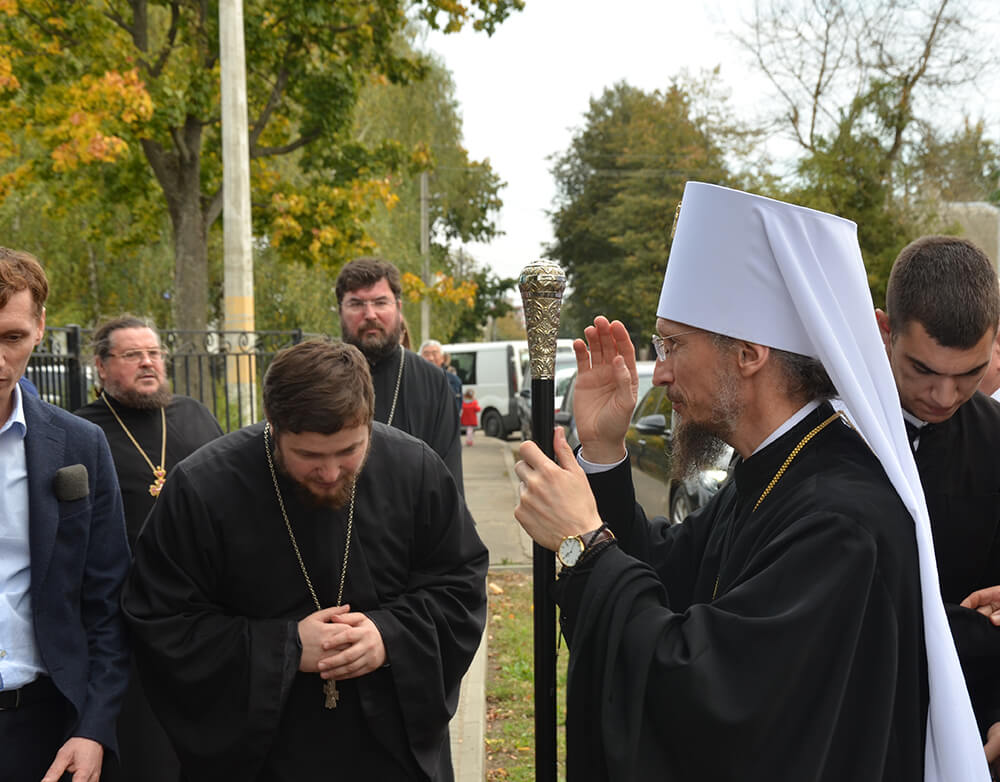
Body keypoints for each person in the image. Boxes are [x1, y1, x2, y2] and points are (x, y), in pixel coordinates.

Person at [513, 183, 988, 781]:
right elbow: (668, 571)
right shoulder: (778, 465)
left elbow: (714, 697)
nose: (660, 372)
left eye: (673, 344)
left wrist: (584, 545)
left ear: (747, 353)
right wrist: (604, 454)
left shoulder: (841, 519)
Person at [121, 339, 488, 781]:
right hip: (264, 759)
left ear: (369, 424)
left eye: (349, 451)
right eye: (309, 456)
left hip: (392, 749)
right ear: (275, 428)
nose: (330, 473)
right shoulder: (203, 488)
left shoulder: (415, 468)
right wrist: (286, 649)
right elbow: (161, 622)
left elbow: (460, 586)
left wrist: (389, 636)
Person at [75, 314, 224, 782]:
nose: (148, 363)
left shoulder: (193, 415)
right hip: (126, 613)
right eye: (132, 355)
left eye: (154, 353)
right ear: (101, 366)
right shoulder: (82, 431)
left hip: (201, 610)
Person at [0, 247, 130, 782]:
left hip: (47, 729)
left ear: (39, 328)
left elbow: (108, 601)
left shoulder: (80, 445)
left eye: (11, 338)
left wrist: (93, 728)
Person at [875, 236, 1000, 763]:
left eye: (970, 374)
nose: (945, 397)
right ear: (884, 331)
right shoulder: (823, 429)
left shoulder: (995, 440)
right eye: (923, 370)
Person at [336, 257, 463, 490]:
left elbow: (448, 481)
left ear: (399, 308)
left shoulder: (433, 382)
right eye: (356, 304)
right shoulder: (318, 377)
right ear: (340, 311)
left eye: (380, 302)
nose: (370, 314)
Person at [421, 337, 463, 418]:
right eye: (426, 354)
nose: (431, 358)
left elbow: (455, 409)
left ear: (443, 358)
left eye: (434, 354)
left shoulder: (453, 381)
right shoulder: (411, 380)